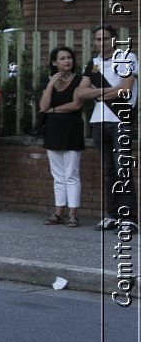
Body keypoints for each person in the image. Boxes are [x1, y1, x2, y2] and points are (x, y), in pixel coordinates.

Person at [76, 24, 137, 230]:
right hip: (99, 122)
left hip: (120, 121)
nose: (102, 42)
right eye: (98, 39)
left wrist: (98, 93)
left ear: (114, 39)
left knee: (123, 171)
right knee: (109, 171)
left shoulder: (127, 57)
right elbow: (81, 93)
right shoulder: (92, 64)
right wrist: (109, 91)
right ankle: (112, 216)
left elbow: (125, 90)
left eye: (106, 38)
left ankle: (129, 219)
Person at [38, 46, 86, 226]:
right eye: (62, 58)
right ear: (54, 62)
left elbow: (75, 105)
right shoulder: (50, 81)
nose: (67, 61)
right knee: (57, 175)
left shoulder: (80, 80)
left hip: (72, 130)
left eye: (69, 58)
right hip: (52, 131)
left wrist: (54, 110)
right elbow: (43, 106)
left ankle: (73, 213)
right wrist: (50, 85)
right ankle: (58, 212)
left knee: (71, 174)